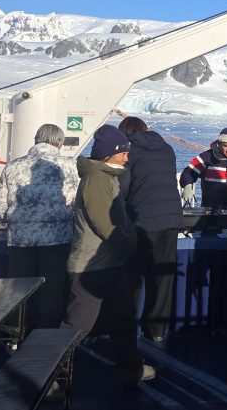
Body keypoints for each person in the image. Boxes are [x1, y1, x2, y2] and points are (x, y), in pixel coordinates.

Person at [63, 124, 155, 387]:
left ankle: (132, 367)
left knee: (124, 317)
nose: (127, 157)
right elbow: (103, 222)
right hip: (92, 266)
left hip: (109, 263)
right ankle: (48, 374)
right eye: (123, 152)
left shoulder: (106, 177)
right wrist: (127, 246)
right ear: (109, 154)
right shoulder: (97, 180)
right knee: (77, 325)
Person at [0, 123, 78, 330]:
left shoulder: (13, 166)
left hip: (20, 239)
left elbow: (1, 204)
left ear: (36, 140)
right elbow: (77, 201)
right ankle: (45, 334)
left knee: (19, 289)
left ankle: (17, 332)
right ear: (59, 143)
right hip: (57, 238)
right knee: (52, 289)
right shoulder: (69, 166)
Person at [118, 116, 183, 342]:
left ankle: (128, 330)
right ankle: (157, 330)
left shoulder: (130, 152)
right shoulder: (167, 149)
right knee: (163, 277)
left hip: (142, 221)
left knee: (133, 277)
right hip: (171, 219)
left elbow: (123, 188)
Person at [179, 127, 227, 208]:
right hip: (209, 209)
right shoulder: (206, 157)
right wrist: (187, 185)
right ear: (219, 144)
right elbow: (188, 172)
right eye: (225, 146)